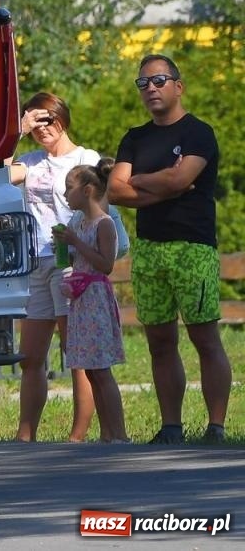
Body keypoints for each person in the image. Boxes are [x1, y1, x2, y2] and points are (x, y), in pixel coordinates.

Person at [108, 54, 232, 445]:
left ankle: (216, 428)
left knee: (204, 338)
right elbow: (113, 189)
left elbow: (183, 178)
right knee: (160, 342)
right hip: (149, 250)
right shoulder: (135, 137)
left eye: (159, 80)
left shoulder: (199, 133)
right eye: (143, 83)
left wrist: (141, 183)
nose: (151, 89)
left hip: (192, 248)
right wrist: (160, 188)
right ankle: (171, 427)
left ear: (178, 86)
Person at [8, 91, 98, 442]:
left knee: (74, 353)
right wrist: (17, 131)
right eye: (36, 122)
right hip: (35, 263)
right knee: (30, 357)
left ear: (63, 117)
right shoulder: (29, 162)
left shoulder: (86, 158)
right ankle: (25, 434)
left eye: (49, 119)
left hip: (70, 261)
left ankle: (78, 436)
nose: (43, 128)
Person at [54, 159, 128, 443]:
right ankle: (106, 433)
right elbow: (77, 259)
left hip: (96, 297)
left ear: (87, 191)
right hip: (82, 299)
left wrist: (76, 241)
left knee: (101, 369)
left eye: (68, 189)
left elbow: (106, 264)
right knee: (91, 370)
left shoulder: (104, 223)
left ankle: (119, 433)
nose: (64, 195)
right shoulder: (81, 223)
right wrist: (64, 246)